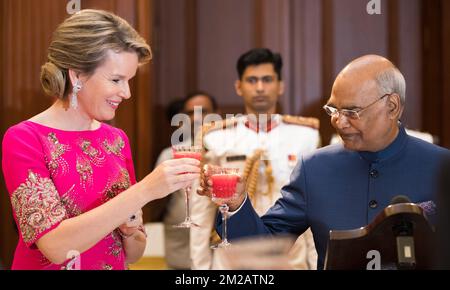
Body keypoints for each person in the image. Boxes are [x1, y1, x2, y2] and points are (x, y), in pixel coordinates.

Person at [199, 54, 450, 270]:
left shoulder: (442, 166)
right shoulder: (314, 169)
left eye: (352, 112)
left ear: (392, 106)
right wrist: (237, 204)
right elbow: (263, 246)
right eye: (333, 110)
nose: (339, 122)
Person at [1, 9, 200, 270]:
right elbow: (56, 247)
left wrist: (130, 231)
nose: (126, 93)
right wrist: (145, 191)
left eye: (128, 81)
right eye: (116, 79)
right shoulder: (24, 138)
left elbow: (133, 254)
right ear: (77, 75)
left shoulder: (116, 139)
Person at [190, 48, 321, 270]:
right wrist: (201, 268)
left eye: (267, 80)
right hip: (232, 258)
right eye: (252, 80)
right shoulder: (216, 137)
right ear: (239, 87)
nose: (260, 87)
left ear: (280, 85)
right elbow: (201, 210)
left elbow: (314, 208)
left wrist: (317, 262)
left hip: (289, 256)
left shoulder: (306, 136)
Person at [154, 91, 218, 269]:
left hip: (220, 242)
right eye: (190, 112)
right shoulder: (170, 154)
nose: (197, 117)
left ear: (216, 114)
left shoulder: (228, 150)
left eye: (204, 111)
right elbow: (157, 201)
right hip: (180, 246)